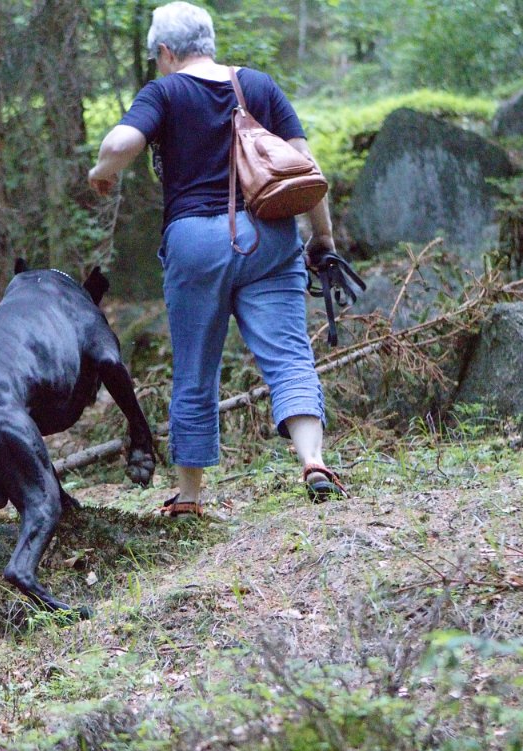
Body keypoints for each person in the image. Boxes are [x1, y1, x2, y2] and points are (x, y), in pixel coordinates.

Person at [87, 1, 346, 513]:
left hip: (197, 243)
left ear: (165, 52)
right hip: (270, 236)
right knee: (290, 355)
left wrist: (103, 170)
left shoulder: (164, 90)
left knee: (194, 370)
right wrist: (324, 240)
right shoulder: (259, 85)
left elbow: (122, 141)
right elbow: (306, 167)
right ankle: (313, 461)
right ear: (208, 41)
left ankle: (189, 496)